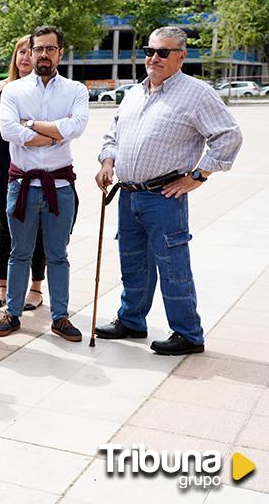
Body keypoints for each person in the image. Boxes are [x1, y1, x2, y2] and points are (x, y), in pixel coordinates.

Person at [94, 26, 243, 355]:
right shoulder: (135, 92)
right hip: (129, 192)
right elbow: (112, 134)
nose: (154, 58)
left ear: (181, 56)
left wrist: (199, 175)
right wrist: (107, 162)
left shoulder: (197, 93)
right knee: (132, 263)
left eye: (163, 52)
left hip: (164, 197)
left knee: (173, 265)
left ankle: (188, 333)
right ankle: (131, 320)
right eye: (149, 51)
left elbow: (229, 136)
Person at [0, 25, 89, 342]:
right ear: (30, 52)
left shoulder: (75, 90)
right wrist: (52, 135)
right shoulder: (14, 91)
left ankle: (60, 317)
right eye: (38, 49)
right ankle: (13, 312)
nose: (43, 54)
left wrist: (31, 125)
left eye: (50, 48)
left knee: (57, 254)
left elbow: (76, 127)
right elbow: (7, 130)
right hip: (21, 185)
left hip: (59, 185)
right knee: (19, 253)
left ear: (60, 52)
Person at [0, 35, 47, 311]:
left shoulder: (43, 91)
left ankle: (35, 287)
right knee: (4, 228)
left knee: (38, 229)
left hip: (38, 166)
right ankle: (3, 285)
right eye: (20, 52)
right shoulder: (0, 90)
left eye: (28, 51)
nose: (24, 57)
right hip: (4, 165)